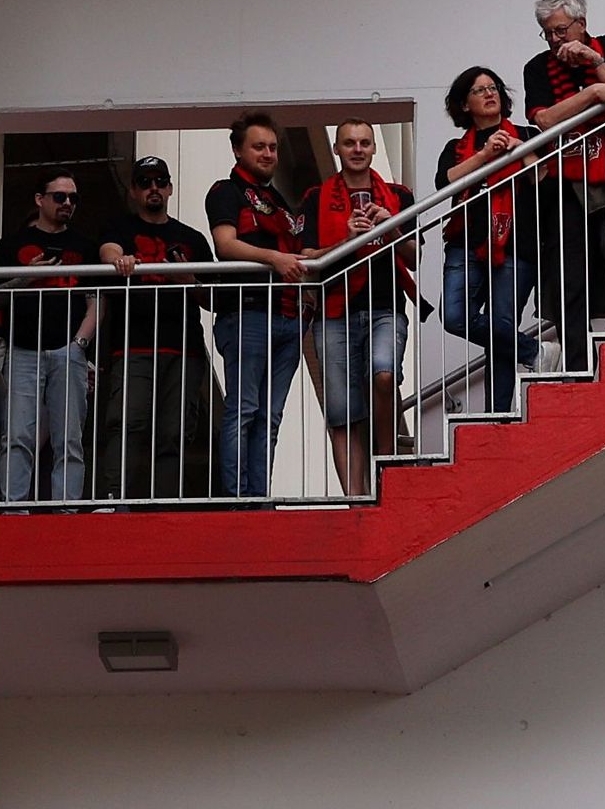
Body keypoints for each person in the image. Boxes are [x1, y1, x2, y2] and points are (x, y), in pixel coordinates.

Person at [303, 119, 420, 489]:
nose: (357, 149)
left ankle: (385, 469)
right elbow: (306, 259)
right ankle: (356, 498)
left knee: (384, 375)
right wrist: (347, 240)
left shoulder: (398, 196)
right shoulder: (316, 197)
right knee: (342, 411)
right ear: (337, 149)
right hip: (334, 312)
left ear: (372, 149)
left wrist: (391, 227)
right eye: (349, 143)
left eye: (364, 143)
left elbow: (415, 256)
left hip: (386, 306)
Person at [92, 156, 217, 499]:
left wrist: (187, 279)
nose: (153, 188)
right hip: (133, 346)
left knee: (174, 433)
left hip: (184, 349)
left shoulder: (191, 239)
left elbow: (215, 297)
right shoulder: (118, 228)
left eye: (160, 181)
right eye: (145, 182)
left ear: (170, 188)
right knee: (127, 424)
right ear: (133, 190)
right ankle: (114, 500)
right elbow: (108, 251)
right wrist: (119, 260)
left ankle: (165, 505)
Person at [522, 0, 605, 353]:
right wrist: (592, 94)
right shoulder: (537, 67)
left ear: (581, 24)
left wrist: (596, 62)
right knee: (568, 271)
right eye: (548, 33)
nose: (556, 39)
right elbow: (545, 120)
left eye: (560, 30)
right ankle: (576, 358)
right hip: (564, 177)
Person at [203, 116, 312, 497]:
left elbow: (301, 254)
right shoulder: (225, 191)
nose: (268, 154)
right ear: (237, 150)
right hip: (247, 312)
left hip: (288, 316)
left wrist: (348, 239)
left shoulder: (279, 202)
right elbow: (225, 245)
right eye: (258, 146)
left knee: (270, 416)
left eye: (272, 147)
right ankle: (238, 498)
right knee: (244, 409)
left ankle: (258, 497)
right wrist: (274, 259)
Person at [0, 169, 108, 502]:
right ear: (40, 200)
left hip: (68, 353)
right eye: (59, 197)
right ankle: (13, 510)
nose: (67, 203)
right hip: (22, 350)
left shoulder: (84, 245)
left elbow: (96, 300)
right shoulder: (12, 245)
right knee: (17, 436)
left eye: (73, 198)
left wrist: (79, 345)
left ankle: (66, 512)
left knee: (68, 438)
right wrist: (26, 277)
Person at [433, 68, 536, 413]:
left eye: (493, 88)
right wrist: (484, 156)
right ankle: (533, 351)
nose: (489, 94)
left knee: (500, 329)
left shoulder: (526, 133)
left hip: (517, 245)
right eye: (479, 91)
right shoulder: (457, 147)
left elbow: (545, 178)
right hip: (465, 242)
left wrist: (522, 149)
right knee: (454, 315)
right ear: (465, 104)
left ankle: (498, 416)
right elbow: (445, 183)